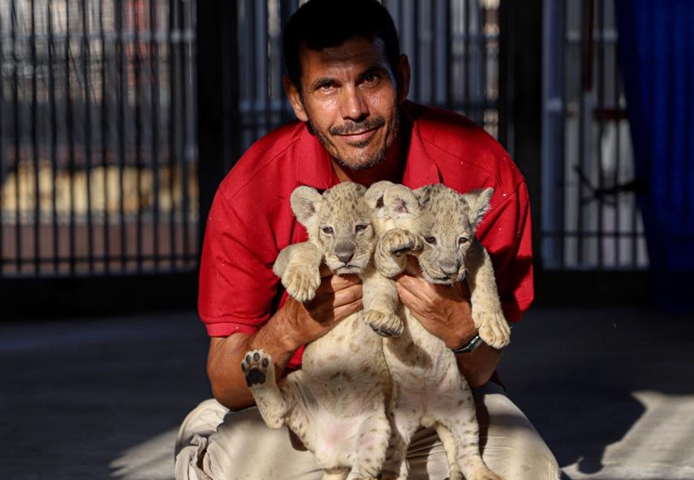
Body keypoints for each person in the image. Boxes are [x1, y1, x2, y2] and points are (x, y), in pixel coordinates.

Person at [175, 0, 560, 478]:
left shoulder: (477, 172)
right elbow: (228, 381)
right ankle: (208, 444)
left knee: (530, 469)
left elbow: (480, 369)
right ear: (297, 99)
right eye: (327, 87)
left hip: (433, 394)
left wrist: (461, 329)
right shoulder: (251, 188)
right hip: (317, 400)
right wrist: (290, 328)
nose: (353, 109)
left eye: (370, 80)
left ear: (402, 77)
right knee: (239, 465)